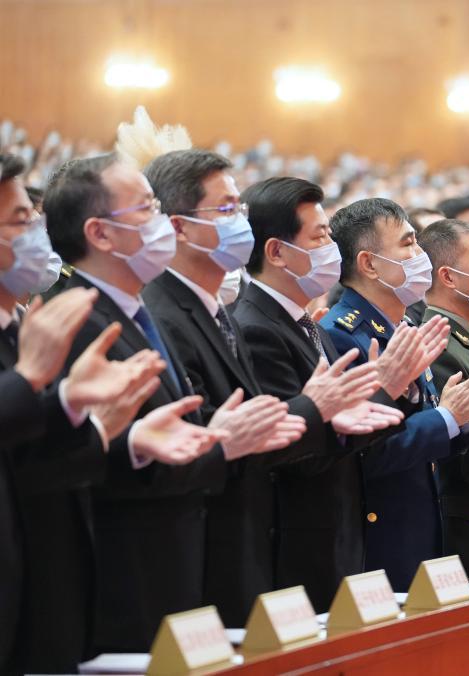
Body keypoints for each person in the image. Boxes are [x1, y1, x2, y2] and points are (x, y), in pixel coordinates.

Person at [35, 153, 291, 657]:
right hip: (125, 576)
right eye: (146, 209)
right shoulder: (76, 324)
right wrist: (216, 444)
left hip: (178, 565)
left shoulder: (136, 311)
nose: (160, 222)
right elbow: (76, 464)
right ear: (100, 234)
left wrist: (214, 439)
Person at [143, 150, 392, 624]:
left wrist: (352, 406)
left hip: (258, 546)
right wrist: (317, 408)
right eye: (226, 209)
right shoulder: (172, 315)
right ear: (177, 227)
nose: (241, 222)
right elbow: (219, 440)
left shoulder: (218, 312)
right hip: (216, 553)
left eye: (240, 208)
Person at [322, 199, 469, 589]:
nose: (420, 255)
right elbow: (370, 453)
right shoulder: (343, 336)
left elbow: (428, 431)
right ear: (369, 264)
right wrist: (448, 418)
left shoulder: (402, 327)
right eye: (408, 244)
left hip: (425, 525)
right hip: (383, 538)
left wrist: (463, 418)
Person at [233, 178, 404, 611]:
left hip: (338, 535)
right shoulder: (255, 327)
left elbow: (344, 425)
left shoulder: (305, 322)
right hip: (296, 547)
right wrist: (383, 392)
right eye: (320, 237)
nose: (332, 249)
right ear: (276, 252)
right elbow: (290, 451)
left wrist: (380, 397)